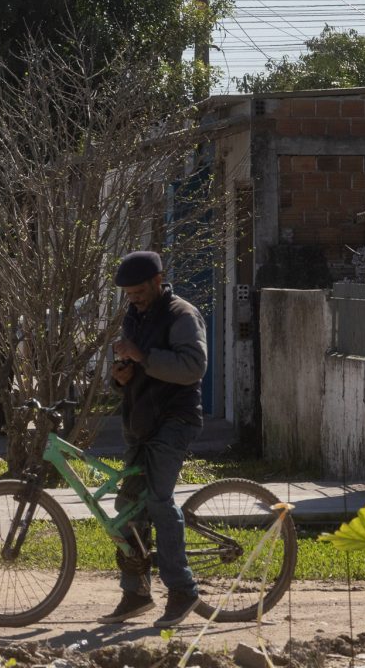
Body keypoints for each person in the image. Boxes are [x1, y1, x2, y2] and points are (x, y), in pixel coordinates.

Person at [98, 250, 206, 628]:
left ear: (159, 281)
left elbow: (193, 368)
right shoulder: (135, 316)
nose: (134, 298)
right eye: (128, 294)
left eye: (139, 291)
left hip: (175, 419)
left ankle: (183, 591)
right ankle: (136, 593)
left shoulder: (182, 315)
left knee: (159, 502)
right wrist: (119, 377)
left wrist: (142, 357)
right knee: (127, 509)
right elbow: (131, 368)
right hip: (143, 423)